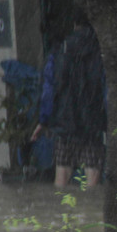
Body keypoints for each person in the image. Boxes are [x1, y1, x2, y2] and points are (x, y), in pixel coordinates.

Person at [29, 16, 107, 187]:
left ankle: (61, 213)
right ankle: (89, 213)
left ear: (74, 24)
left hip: (65, 124)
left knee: (62, 177)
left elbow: (49, 90)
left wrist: (43, 120)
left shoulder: (60, 50)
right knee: (92, 176)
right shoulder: (101, 51)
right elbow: (107, 89)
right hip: (92, 125)